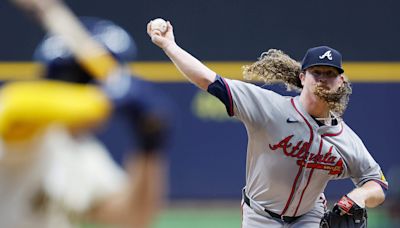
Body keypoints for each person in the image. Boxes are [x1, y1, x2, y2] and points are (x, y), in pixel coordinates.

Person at [147, 21, 388, 227]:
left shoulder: (345, 138)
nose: (323, 79)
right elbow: (209, 80)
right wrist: (170, 46)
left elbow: (376, 182)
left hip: (310, 217)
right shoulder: (270, 107)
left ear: (341, 81)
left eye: (330, 73)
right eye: (317, 72)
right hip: (260, 216)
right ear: (303, 77)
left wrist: (359, 196)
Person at [0, 0, 171, 227]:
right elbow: (16, 105)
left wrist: (148, 150)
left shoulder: (85, 154)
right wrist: (107, 97)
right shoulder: (26, 134)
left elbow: (131, 219)